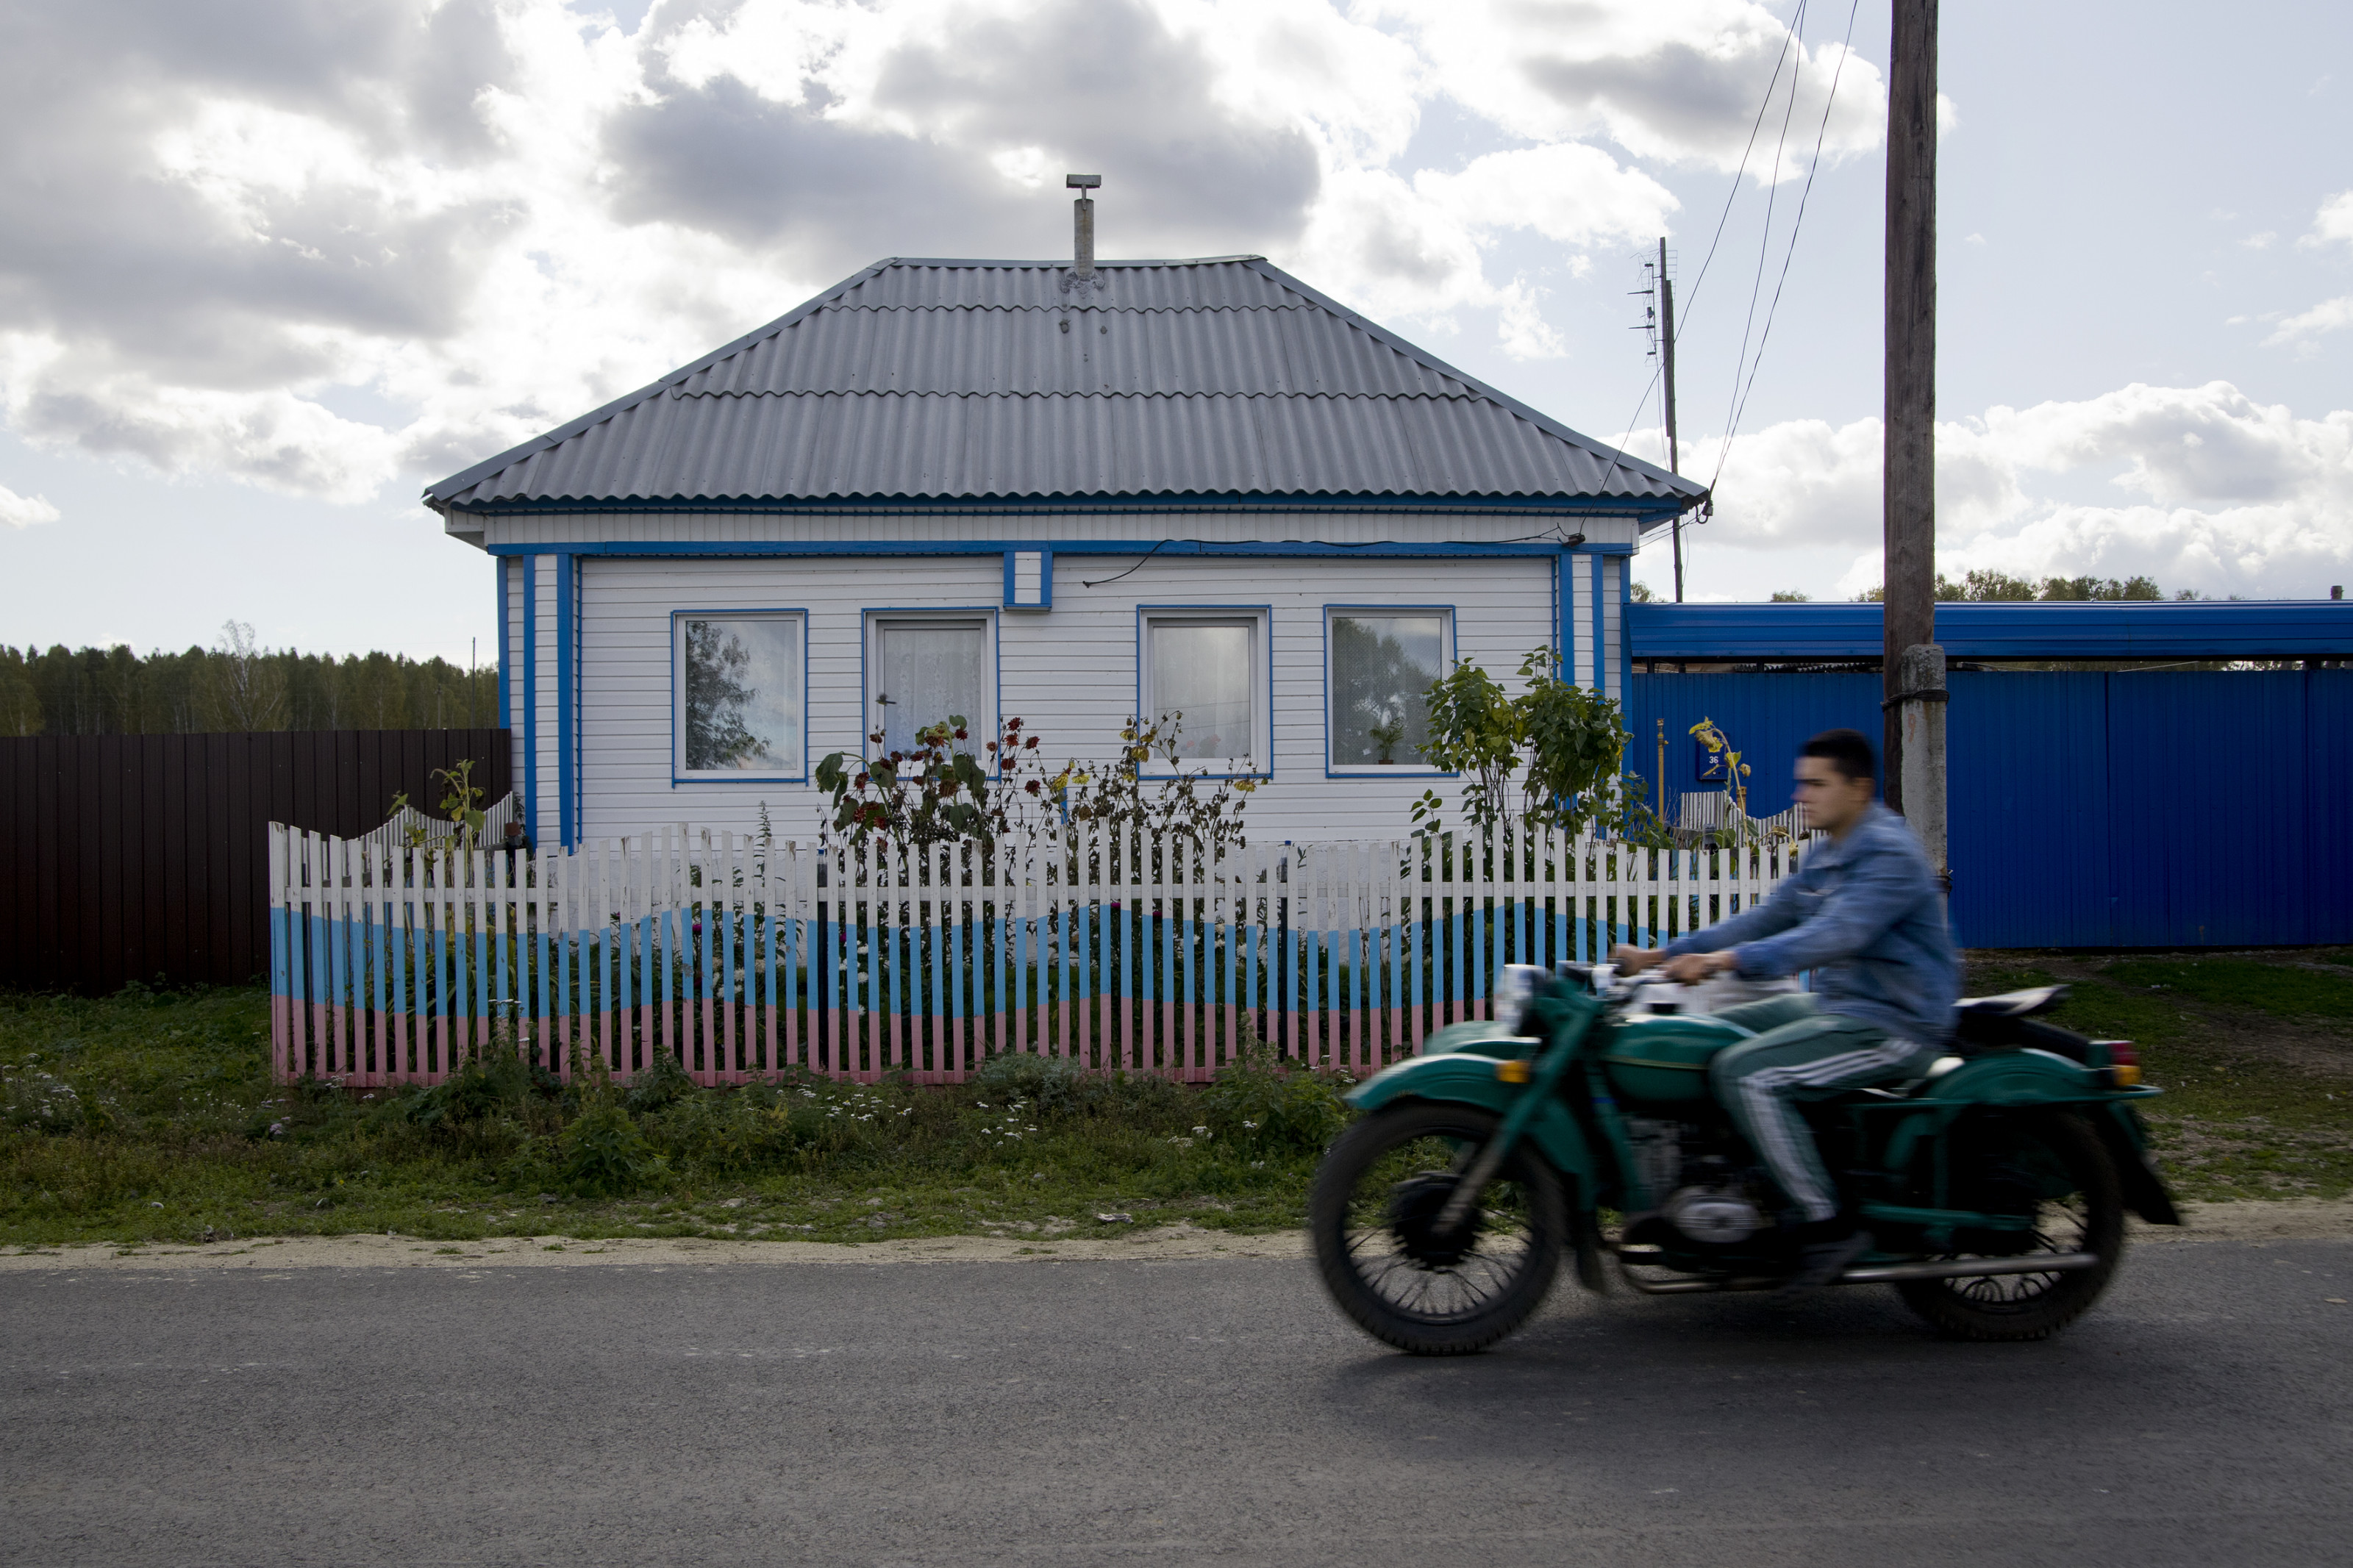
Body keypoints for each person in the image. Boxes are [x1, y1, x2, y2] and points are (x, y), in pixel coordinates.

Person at [1612, 727, 1960, 1289]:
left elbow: (1831, 936)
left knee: (1746, 1073)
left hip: (1896, 1023)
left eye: (1817, 784)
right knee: (1710, 1036)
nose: (1802, 796)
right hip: (1841, 1008)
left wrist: (1726, 961)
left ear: (1859, 788)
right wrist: (1663, 954)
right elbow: (1767, 918)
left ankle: (1825, 1221)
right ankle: (1730, 1189)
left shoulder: (1888, 854)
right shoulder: (1829, 852)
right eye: (1803, 783)